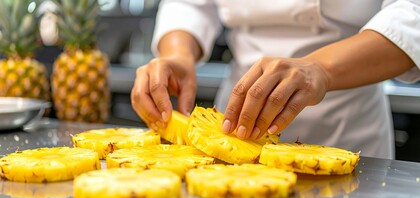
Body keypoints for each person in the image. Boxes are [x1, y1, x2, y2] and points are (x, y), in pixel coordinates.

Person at [131, 0, 420, 159]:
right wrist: (179, 53)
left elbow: (412, 13)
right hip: (233, 129)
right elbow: (191, 5)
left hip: (346, 126)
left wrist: (321, 68)